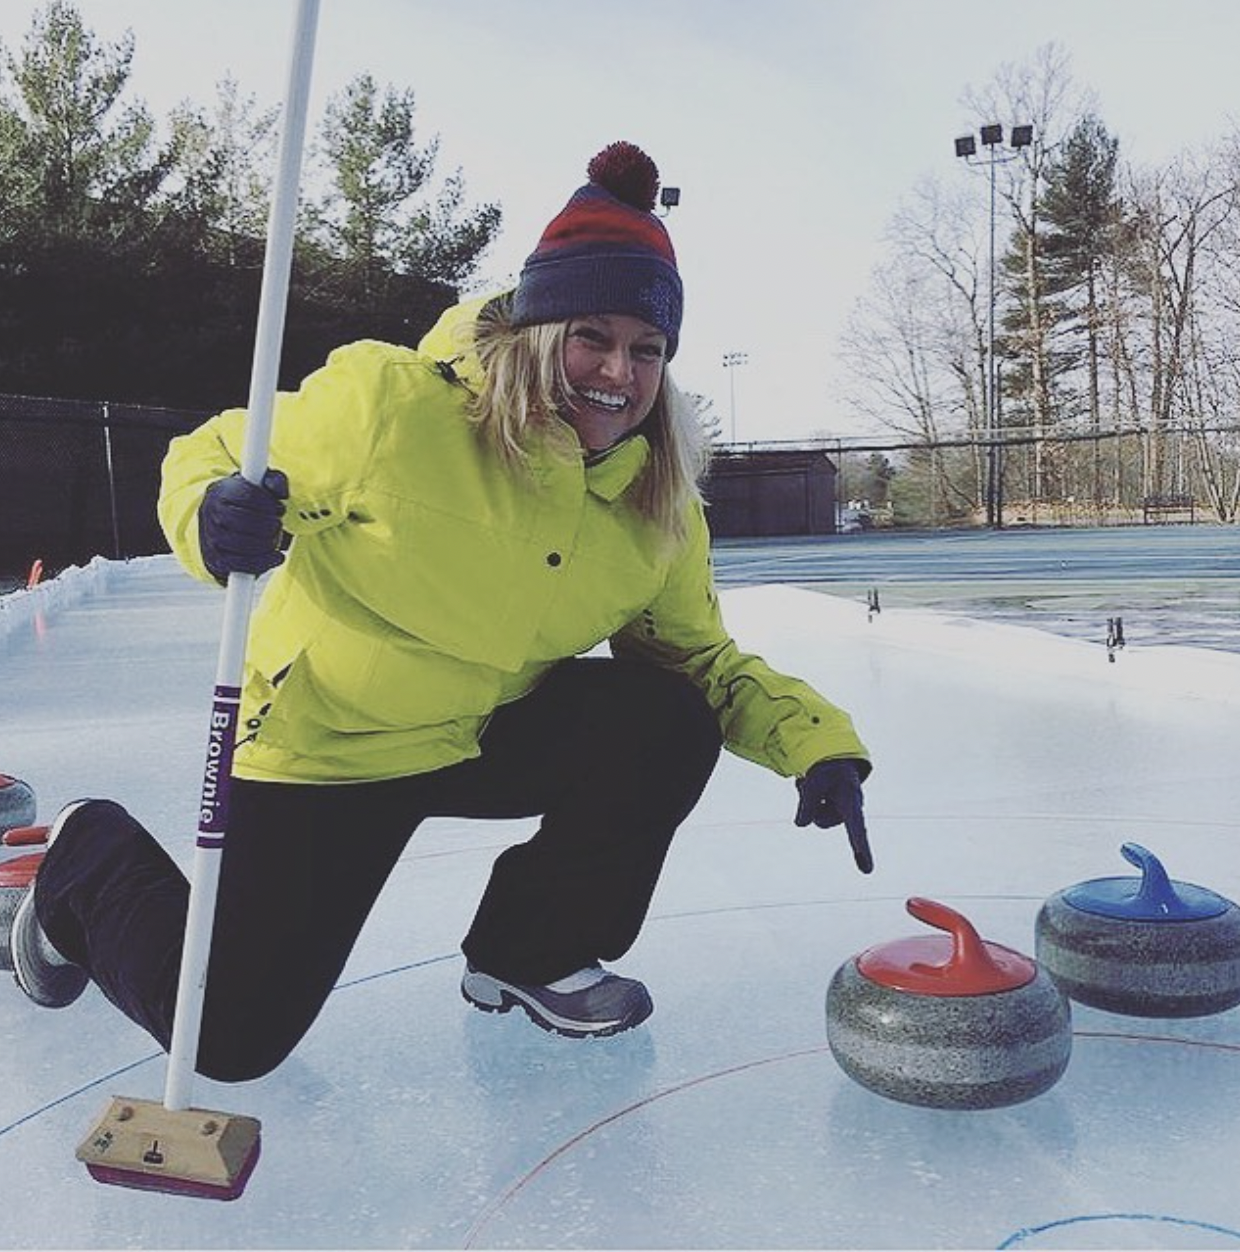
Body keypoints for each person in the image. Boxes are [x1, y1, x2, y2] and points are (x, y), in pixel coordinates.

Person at [3, 141, 872, 1080]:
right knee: (229, 1040)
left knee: (667, 717)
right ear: (539, 331)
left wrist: (815, 743)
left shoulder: (653, 502)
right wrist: (212, 514)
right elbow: (213, 453)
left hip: (484, 728)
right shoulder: (396, 408)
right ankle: (87, 856)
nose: (619, 372)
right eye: (592, 337)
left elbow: (696, 659)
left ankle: (529, 951)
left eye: (647, 349)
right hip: (332, 743)